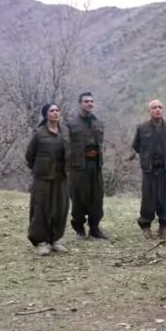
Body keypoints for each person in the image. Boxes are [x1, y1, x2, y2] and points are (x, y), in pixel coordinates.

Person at [25, 104, 70, 256]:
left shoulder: (65, 131)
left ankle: (55, 239)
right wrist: (40, 168)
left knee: (60, 208)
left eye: (57, 110)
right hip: (43, 177)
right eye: (52, 111)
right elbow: (29, 155)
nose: (55, 113)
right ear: (46, 115)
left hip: (61, 177)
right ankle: (41, 241)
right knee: (41, 209)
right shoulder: (39, 133)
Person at [131, 99, 166, 239]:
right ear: (149, 111)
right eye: (154, 107)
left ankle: (163, 228)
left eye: (160, 107)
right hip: (149, 169)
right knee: (148, 199)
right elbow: (136, 146)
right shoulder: (142, 128)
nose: (157, 110)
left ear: (163, 110)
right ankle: (146, 227)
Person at [67, 91, 107, 239]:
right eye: (86, 101)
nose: (89, 104)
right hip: (78, 166)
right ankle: (79, 229)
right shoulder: (71, 124)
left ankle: (94, 228)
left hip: (95, 165)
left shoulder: (98, 123)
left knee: (97, 198)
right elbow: (66, 146)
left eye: (91, 101)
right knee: (79, 198)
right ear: (80, 104)